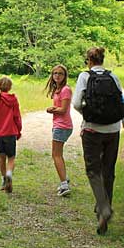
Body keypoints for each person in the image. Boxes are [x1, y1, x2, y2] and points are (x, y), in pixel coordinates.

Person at [72, 47, 124, 235]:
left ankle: (103, 207)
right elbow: (122, 105)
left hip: (92, 130)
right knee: (108, 170)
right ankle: (103, 211)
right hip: (113, 131)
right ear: (102, 59)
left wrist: (89, 114)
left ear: (89, 60)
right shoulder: (113, 77)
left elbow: (75, 103)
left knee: (93, 170)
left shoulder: (85, 77)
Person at [45, 64, 73, 197]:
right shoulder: (58, 89)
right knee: (58, 154)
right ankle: (64, 178)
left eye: (60, 73)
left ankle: (64, 185)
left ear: (65, 76)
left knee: (55, 155)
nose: (57, 75)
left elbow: (63, 110)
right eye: (55, 73)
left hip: (62, 126)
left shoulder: (66, 89)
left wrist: (51, 109)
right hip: (59, 125)